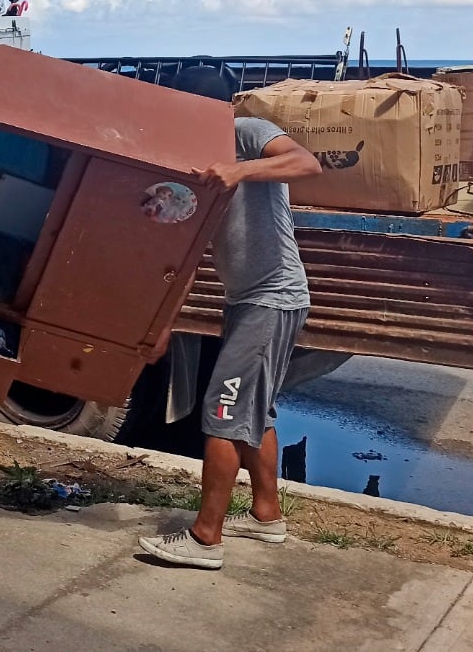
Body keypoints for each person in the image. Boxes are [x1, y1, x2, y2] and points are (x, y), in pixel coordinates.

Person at [139, 66, 322, 570]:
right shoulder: (196, 163)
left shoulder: (247, 132)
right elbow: (188, 253)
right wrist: (164, 325)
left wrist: (239, 170)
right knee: (256, 412)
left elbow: (306, 163)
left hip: (273, 297)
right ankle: (266, 515)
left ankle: (205, 539)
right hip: (246, 300)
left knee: (222, 412)